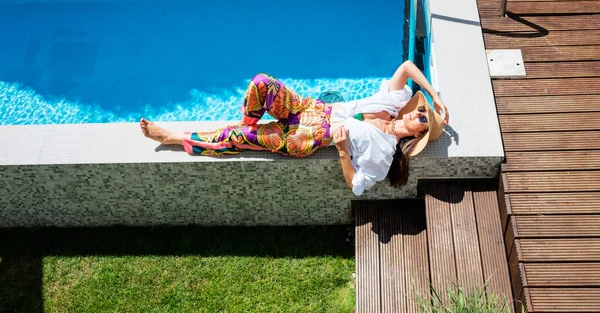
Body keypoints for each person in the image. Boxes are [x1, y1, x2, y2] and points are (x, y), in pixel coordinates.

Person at [140, 60, 449, 196]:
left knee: (240, 139)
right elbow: (407, 66)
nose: (417, 115)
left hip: (307, 136)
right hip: (309, 108)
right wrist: (434, 97)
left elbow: (357, 186)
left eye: (423, 120)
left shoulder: (384, 154)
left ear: (418, 134)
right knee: (261, 83)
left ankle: (175, 139)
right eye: (422, 112)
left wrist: (342, 151)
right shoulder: (394, 102)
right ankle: (248, 124)